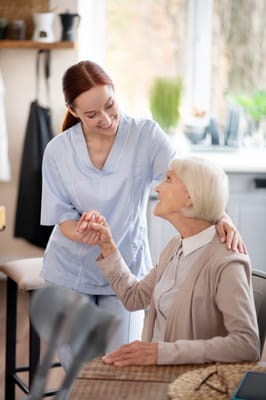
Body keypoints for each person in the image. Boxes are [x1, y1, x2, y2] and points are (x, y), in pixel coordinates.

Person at [40, 60, 246, 368]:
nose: (107, 119)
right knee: (79, 372)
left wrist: (221, 217)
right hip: (68, 270)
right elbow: (62, 217)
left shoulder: (145, 136)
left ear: (115, 92)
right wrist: (82, 231)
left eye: (110, 105)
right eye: (92, 114)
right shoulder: (57, 151)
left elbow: (187, 180)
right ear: (73, 109)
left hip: (126, 270)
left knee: (119, 364)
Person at [88, 156, 260, 366]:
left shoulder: (228, 263)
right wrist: (107, 245)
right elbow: (135, 297)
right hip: (155, 376)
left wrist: (161, 353)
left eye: (168, 179)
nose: (158, 188)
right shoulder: (174, 246)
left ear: (189, 197)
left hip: (192, 386)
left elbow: (247, 344)